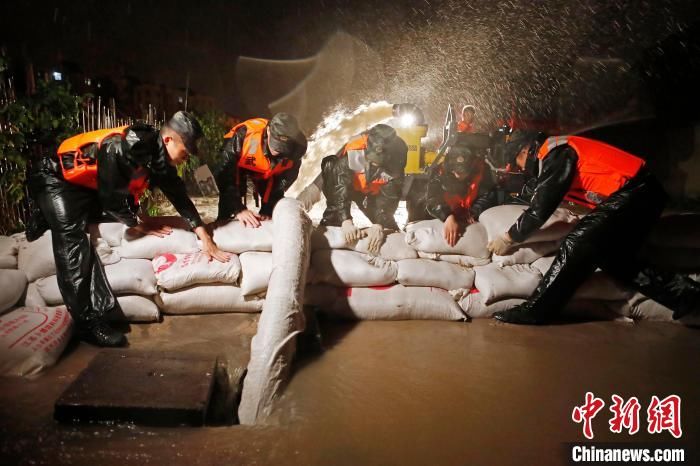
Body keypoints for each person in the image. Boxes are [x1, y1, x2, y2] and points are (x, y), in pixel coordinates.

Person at [27, 111, 230, 347]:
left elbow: (179, 196)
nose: (186, 159)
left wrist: (203, 234)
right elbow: (113, 201)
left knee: (102, 219)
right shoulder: (121, 149)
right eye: (185, 152)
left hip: (88, 186)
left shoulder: (158, 159)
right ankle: (87, 324)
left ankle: (47, 214)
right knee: (73, 240)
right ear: (168, 141)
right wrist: (138, 222)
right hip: (55, 178)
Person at [487, 133, 700, 324]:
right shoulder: (554, 158)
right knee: (615, 260)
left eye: (518, 161)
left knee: (577, 243)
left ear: (527, 150)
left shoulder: (557, 152)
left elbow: (540, 208)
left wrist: (509, 237)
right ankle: (689, 297)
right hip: (644, 195)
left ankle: (536, 310)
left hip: (637, 192)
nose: (521, 168)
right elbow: (535, 194)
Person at [320, 124, 408, 254]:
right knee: (330, 164)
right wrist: (346, 220)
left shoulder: (398, 155)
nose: (375, 164)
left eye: (378, 163)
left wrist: (379, 224)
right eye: (372, 161)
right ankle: (333, 219)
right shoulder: (354, 150)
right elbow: (340, 186)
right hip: (348, 188)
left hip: (373, 194)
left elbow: (391, 193)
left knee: (387, 229)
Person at [214, 113, 307, 227]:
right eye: (275, 145)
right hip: (239, 166)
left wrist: (268, 208)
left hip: (268, 173)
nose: (277, 151)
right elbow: (224, 175)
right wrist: (238, 209)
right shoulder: (245, 136)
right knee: (229, 203)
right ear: (268, 131)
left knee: (272, 208)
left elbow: (282, 182)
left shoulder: (296, 150)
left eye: (282, 148)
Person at [417, 143, 495, 246]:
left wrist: (474, 212)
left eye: (463, 172)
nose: (458, 175)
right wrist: (447, 216)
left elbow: (487, 195)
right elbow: (433, 199)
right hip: (445, 213)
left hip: (471, 214)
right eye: (455, 171)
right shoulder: (439, 172)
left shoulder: (483, 171)